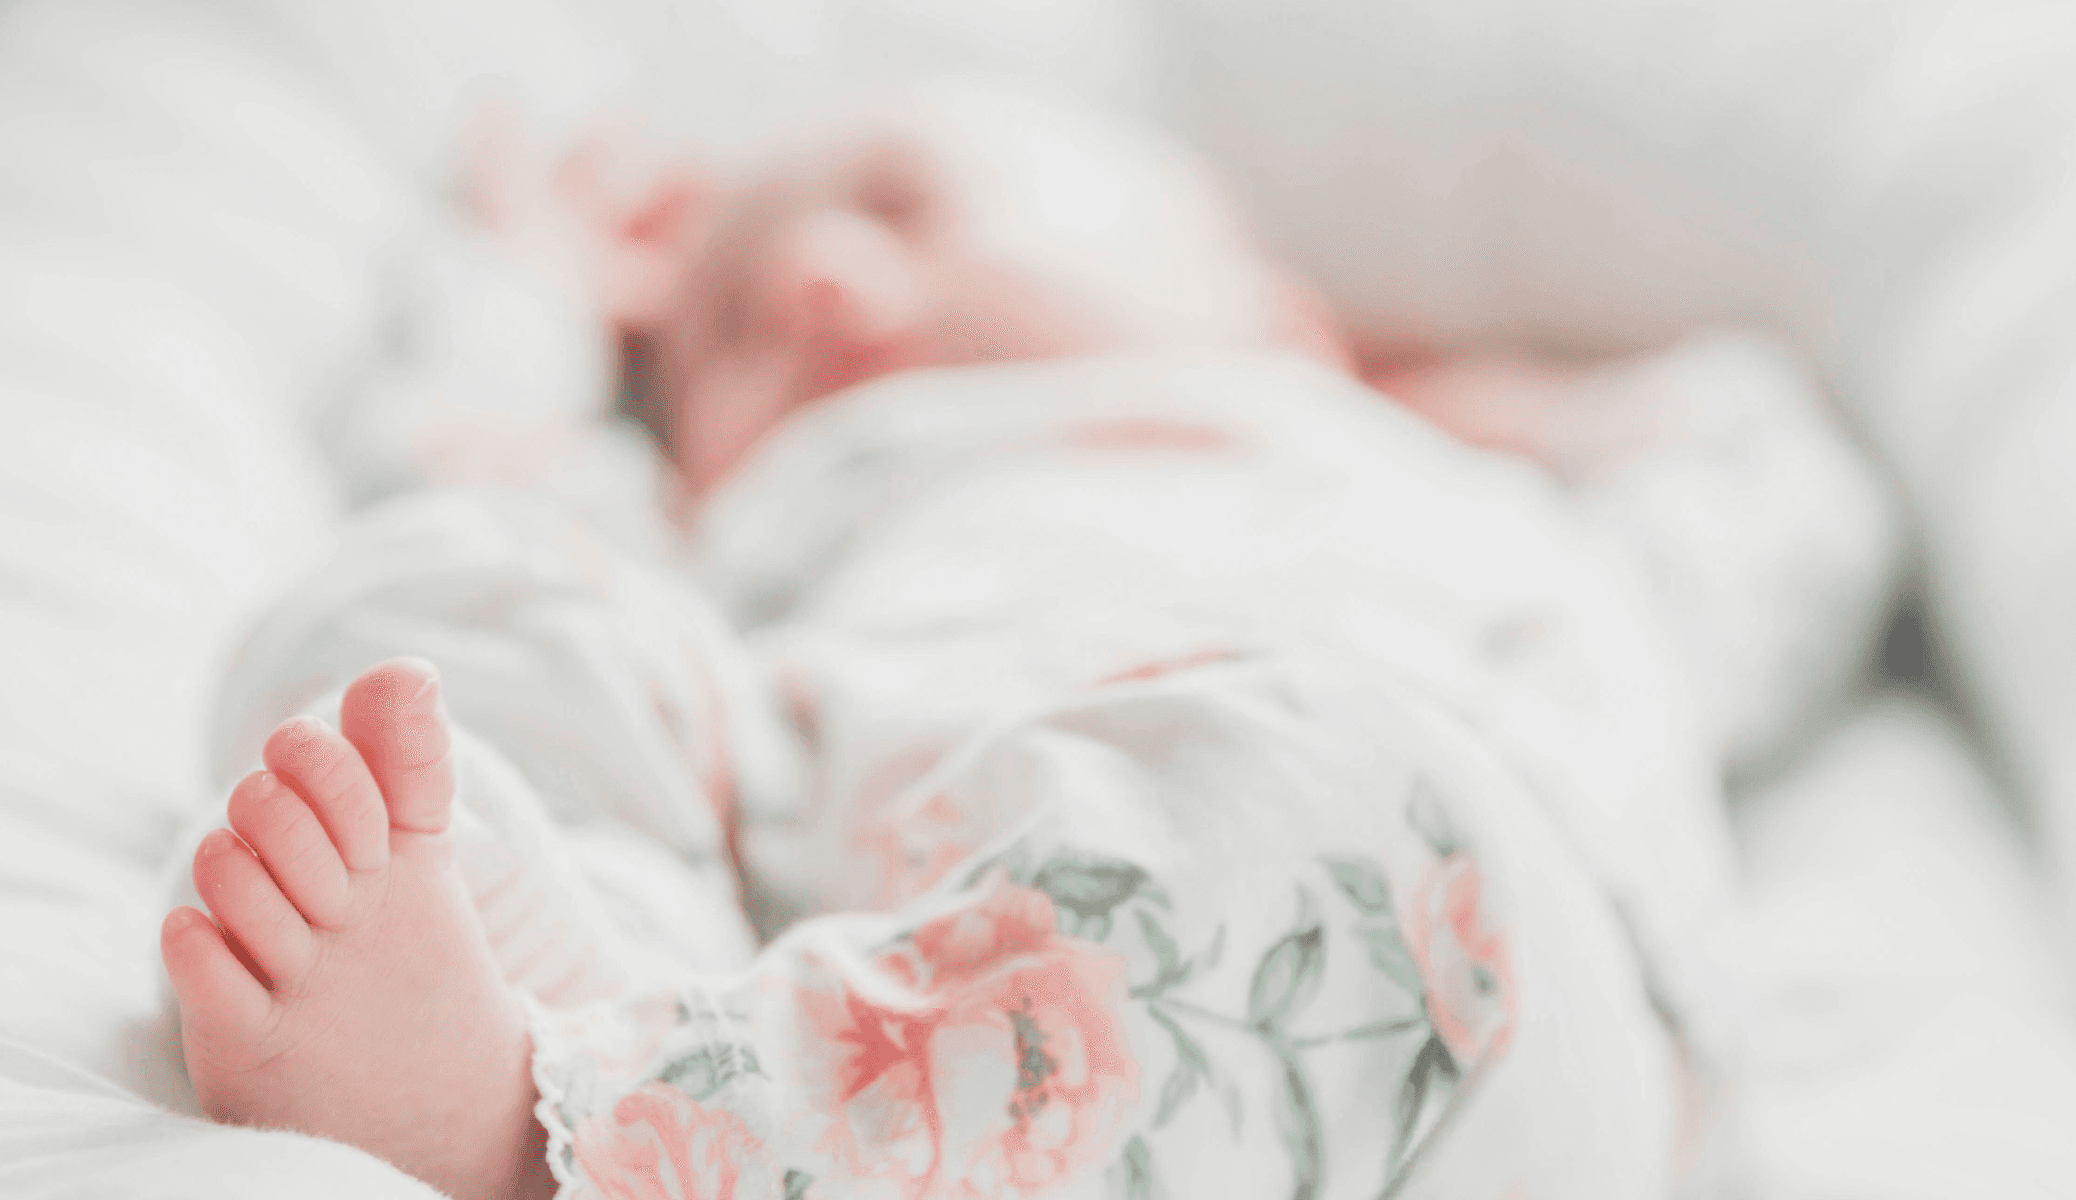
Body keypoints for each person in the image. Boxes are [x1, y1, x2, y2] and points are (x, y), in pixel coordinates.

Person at [160, 81, 1894, 1199]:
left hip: (1451, 1041)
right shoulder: (764, 524)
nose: (816, 282)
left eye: (910, 207)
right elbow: (480, 469)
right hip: (867, 922)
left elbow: (1786, 491)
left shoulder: (1443, 500)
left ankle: (578, 1132)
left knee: (1324, 799)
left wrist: (1417, 394)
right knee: (445, 599)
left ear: (1273, 299)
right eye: (726, 341)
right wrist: (527, 287)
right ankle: (587, 1010)